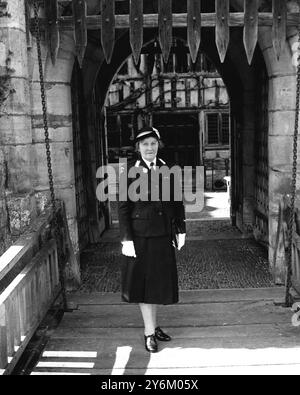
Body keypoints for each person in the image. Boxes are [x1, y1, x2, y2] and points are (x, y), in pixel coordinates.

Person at [118, 126, 186, 353]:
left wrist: (180, 228)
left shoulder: (167, 168)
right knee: (144, 285)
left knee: (157, 283)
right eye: (145, 144)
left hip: (163, 234)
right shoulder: (129, 171)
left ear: (158, 145)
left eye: (153, 143)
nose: (149, 148)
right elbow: (123, 207)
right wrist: (126, 238)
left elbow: (177, 201)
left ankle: (153, 326)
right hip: (140, 236)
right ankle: (149, 333)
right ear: (138, 148)